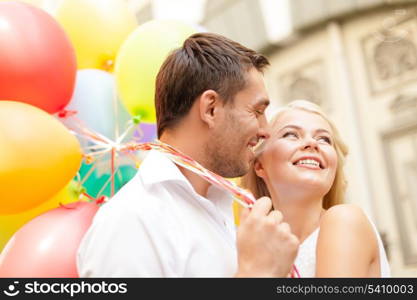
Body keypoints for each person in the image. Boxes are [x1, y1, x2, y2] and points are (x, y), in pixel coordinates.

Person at [77, 33, 299, 277]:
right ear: (210, 109)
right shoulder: (131, 221)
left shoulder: (220, 208)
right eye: (256, 111)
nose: (265, 129)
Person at [241, 100, 390, 277]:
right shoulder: (248, 244)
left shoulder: (345, 220)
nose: (312, 143)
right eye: (291, 134)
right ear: (259, 166)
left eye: (324, 139)